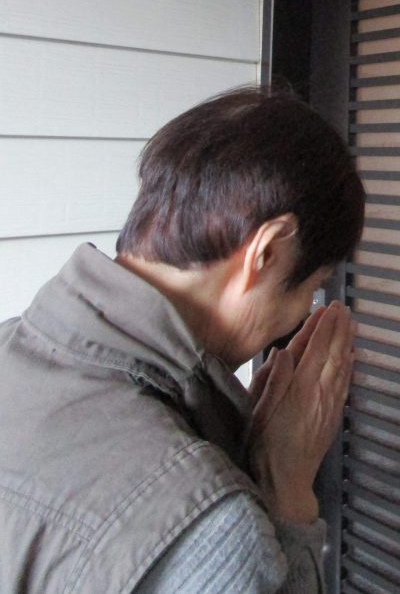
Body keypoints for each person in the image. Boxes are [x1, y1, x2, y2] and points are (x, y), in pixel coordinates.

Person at [0, 86, 365, 593]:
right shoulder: (212, 533)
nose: (305, 310)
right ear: (267, 252)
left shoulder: (13, 344)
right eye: (312, 285)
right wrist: (287, 494)